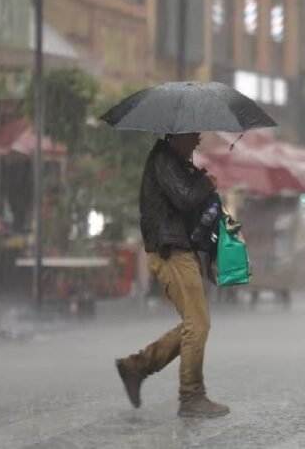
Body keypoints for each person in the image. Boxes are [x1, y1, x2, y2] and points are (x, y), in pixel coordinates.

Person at [115, 132, 230, 418]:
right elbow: (184, 198)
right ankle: (191, 396)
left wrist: (200, 182)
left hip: (180, 247)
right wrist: (204, 183)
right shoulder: (164, 159)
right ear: (179, 134)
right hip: (170, 250)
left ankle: (137, 366)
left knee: (194, 324)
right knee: (198, 324)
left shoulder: (176, 161)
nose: (198, 141)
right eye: (194, 135)